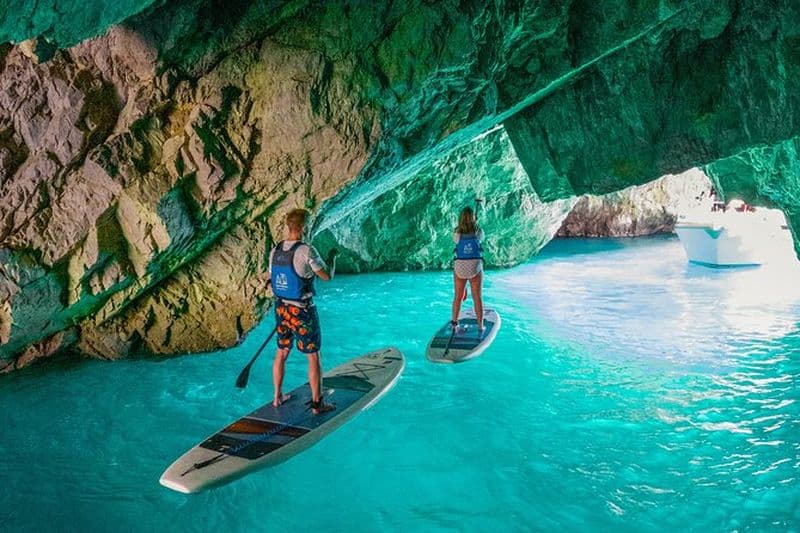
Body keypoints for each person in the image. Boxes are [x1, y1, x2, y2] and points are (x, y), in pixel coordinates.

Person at [268, 208, 337, 415]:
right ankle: (317, 404)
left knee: (281, 352)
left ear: (288, 226)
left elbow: (272, 277)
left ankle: (277, 397)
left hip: (281, 308)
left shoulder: (275, 250)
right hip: (302, 311)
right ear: (304, 227)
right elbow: (326, 276)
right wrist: (333, 258)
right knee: (313, 355)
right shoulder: (307, 250)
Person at [451, 199, 485, 334]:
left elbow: (456, 242)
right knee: (477, 298)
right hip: (474, 267)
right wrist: (475, 226)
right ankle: (480, 326)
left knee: (458, 297)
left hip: (460, 267)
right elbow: (481, 239)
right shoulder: (478, 232)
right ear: (473, 218)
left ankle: (454, 324)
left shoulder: (457, 233)